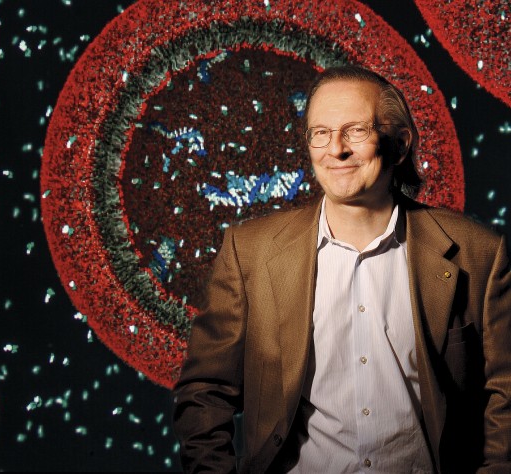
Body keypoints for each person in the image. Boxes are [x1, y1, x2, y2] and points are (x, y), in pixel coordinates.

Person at [172, 65, 511, 473]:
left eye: (356, 131)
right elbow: (205, 390)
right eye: (321, 132)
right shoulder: (250, 252)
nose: (336, 149)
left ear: (400, 145)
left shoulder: (479, 254)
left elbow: (505, 392)